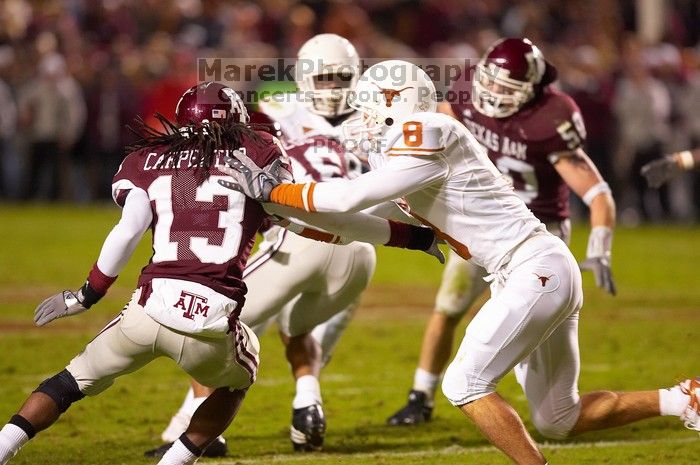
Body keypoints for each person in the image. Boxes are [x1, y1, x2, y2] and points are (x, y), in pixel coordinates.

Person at [222, 60, 700, 465]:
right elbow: (352, 221)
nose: (361, 120)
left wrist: (274, 189)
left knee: (464, 383)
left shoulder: (432, 128)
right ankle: (684, 399)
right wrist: (274, 210)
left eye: (370, 107)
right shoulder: (407, 163)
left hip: (532, 269)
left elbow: (351, 196)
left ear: (396, 104)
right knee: (558, 418)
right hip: (537, 271)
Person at [0, 81, 442, 465]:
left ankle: (4, 447)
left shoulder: (149, 162)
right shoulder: (255, 160)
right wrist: (413, 238)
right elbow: (329, 223)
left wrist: (85, 296)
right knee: (238, 380)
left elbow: (126, 231)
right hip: (210, 321)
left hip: (148, 308)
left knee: (66, 382)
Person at [145, 34, 375, 456]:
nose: (332, 88)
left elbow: (221, 145)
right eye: (323, 79)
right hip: (361, 248)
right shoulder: (366, 120)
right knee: (298, 326)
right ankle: (308, 405)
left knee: (213, 321)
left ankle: (198, 431)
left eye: (339, 78)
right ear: (305, 77)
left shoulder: (278, 112)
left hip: (296, 237)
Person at [387, 37, 617, 426]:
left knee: (517, 322)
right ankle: (420, 396)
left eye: (507, 88)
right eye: (490, 82)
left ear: (532, 90)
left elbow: (594, 191)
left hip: (534, 230)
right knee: (449, 306)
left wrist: (601, 243)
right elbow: (439, 131)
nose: (492, 93)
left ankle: (537, 402)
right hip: (480, 220)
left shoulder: (550, 116)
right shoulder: (464, 86)